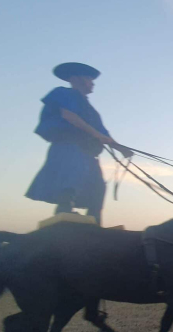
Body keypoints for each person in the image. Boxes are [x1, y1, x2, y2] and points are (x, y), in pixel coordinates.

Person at [26, 62, 132, 226]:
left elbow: (104, 134)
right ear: (75, 79)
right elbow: (69, 116)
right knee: (72, 174)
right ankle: (64, 209)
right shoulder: (62, 93)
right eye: (89, 79)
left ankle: (94, 220)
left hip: (88, 151)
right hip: (68, 145)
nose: (93, 83)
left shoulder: (91, 110)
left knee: (98, 186)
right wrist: (96, 134)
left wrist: (121, 148)